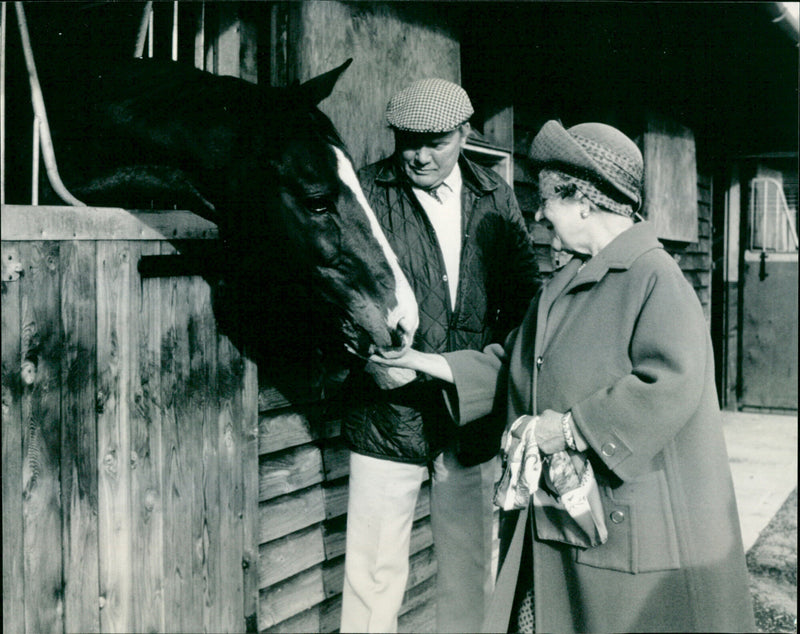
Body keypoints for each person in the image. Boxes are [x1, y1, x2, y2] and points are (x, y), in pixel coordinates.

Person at [372, 120, 756, 632]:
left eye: (548, 200)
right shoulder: (568, 276)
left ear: (583, 202)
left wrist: (571, 428)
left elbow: (671, 379)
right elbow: (513, 361)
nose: (538, 214)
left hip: (624, 524)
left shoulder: (653, 275)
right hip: (565, 516)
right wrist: (424, 363)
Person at [339, 78, 539, 633]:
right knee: (373, 573)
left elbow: (525, 298)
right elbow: (332, 288)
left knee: (472, 569)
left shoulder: (494, 195)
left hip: (469, 414)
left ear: (465, 134)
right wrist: (363, 357)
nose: (419, 155)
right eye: (407, 141)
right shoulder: (366, 191)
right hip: (387, 412)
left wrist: (490, 375)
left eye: (436, 141)